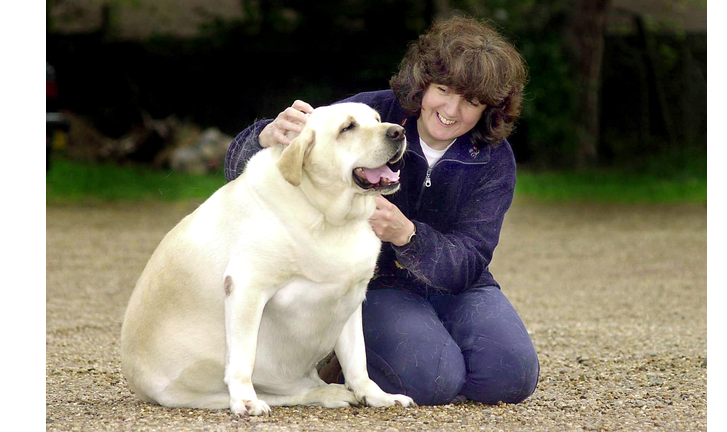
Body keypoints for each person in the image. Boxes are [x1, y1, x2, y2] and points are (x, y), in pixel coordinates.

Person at [224, 16, 539, 406]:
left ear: (489, 108)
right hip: (374, 285)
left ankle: (416, 347)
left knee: (512, 377)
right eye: (443, 90)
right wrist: (263, 137)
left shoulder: (494, 158)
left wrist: (408, 235)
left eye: (471, 102)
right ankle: (352, 355)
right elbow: (240, 171)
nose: (452, 110)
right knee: (433, 380)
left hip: (458, 283)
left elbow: (471, 256)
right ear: (423, 84)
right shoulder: (366, 114)